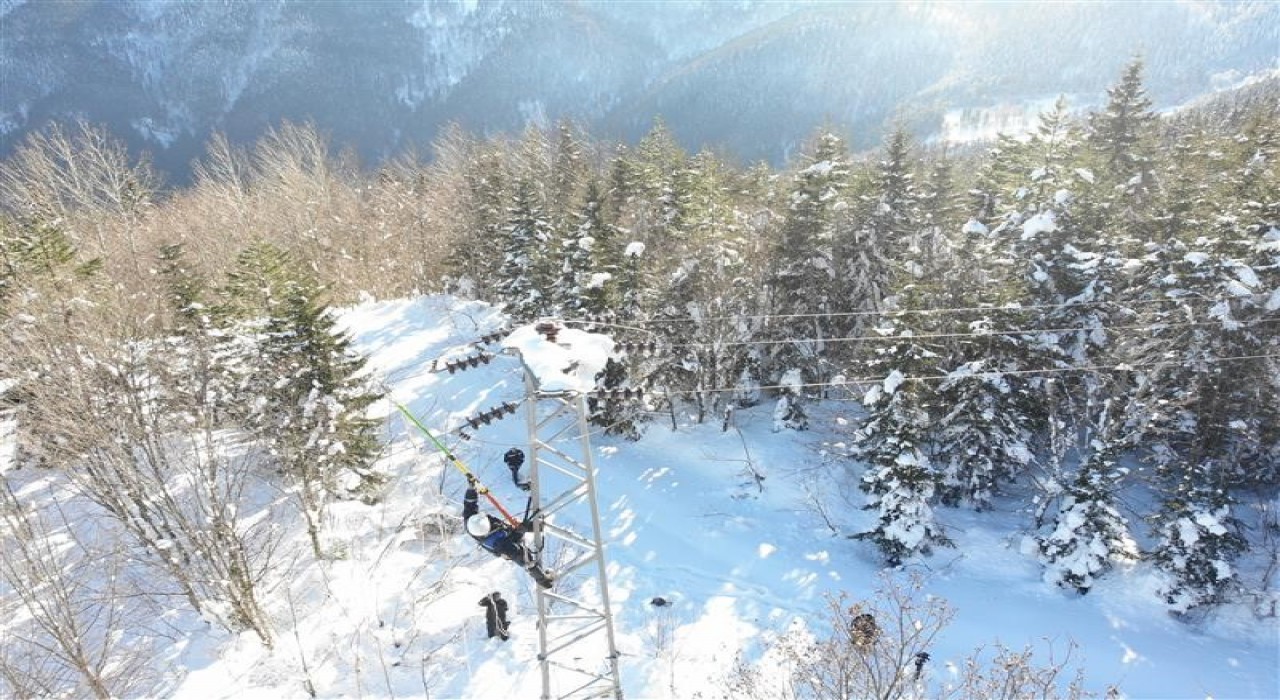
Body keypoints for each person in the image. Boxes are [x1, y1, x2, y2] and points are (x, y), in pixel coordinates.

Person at [462, 475, 553, 588]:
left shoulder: (471, 521)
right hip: (508, 542)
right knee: (525, 535)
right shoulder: (503, 546)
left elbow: (469, 503)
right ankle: (542, 526)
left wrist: (471, 488)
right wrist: (541, 579)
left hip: (503, 533)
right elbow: (525, 562)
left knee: (525, 527)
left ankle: (539, 525)